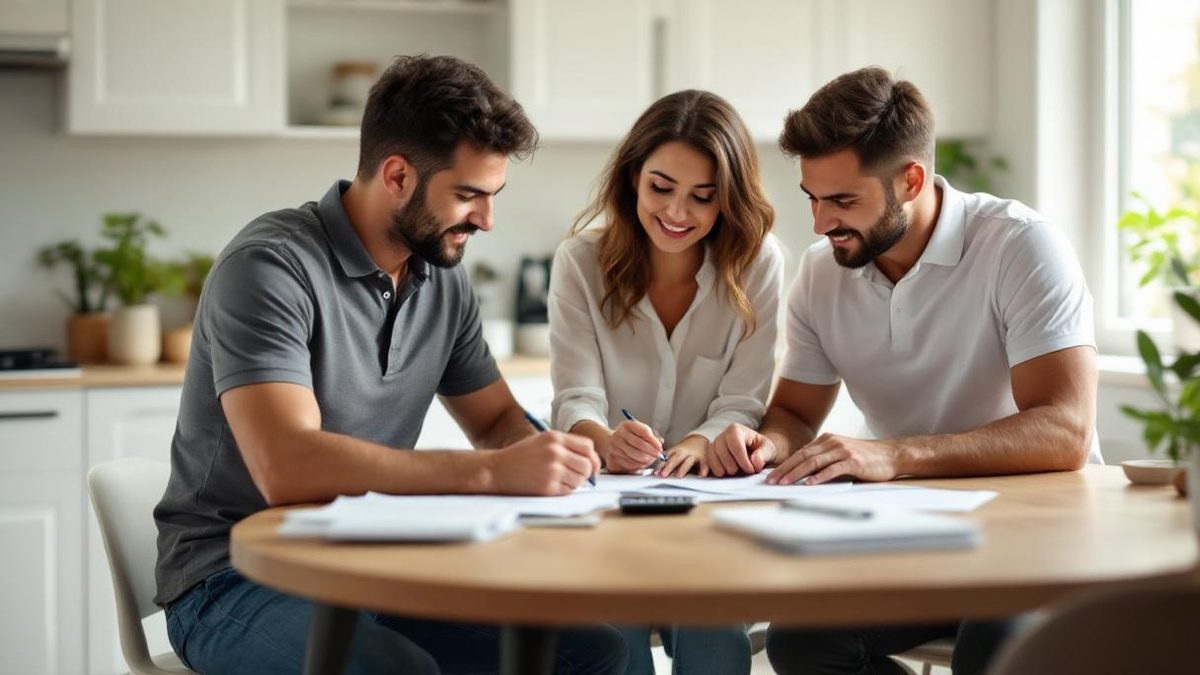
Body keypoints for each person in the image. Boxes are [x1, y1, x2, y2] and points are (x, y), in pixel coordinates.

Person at [153, 54, 627, 675]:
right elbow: (287, 467)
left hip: (376, 561)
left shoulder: (442, 278)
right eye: (468, 196)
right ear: (398, 175)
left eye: (493, 196)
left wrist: (552, 458)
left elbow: (496, 423)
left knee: (592, 651)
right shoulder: (270, 267)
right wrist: (490, 474)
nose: (487, 219)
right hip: (235, 576)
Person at [709, 67, 1099, 675]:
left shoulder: (1019, 246)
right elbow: (794, 412)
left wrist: (894, 455)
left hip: (1036, 540)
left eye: (842, 200)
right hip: (915, 539)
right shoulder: (822, 271)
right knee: (801, 642)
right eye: (813, 198)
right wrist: (769, 444)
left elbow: (1065, 430)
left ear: (910, 180)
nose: (820, 223)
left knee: (998, 652)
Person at [549, 89, 783, 675]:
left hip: (716, 502)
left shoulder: (760, 263)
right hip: (611, 501)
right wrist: (602, 440)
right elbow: (576, 395)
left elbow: (744, 400)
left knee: (711, 622)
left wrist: (702, 442)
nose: (678, 213)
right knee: (614, 626)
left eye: (703, 198)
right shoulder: (580, 261)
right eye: (661, 188)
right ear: (633, 177)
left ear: (728, 200)